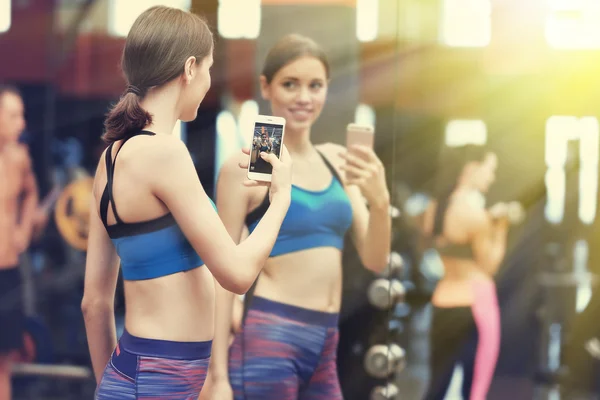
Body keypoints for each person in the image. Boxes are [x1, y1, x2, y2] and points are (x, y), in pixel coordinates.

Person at [81, 6, 292, 399]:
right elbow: (237, 274)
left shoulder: (108, 161)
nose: (210, 82)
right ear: (190, 68)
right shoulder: (166, 154)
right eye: (210, 68)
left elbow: (94, 304)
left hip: (136, 376)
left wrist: (112, 386)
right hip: (159, 382)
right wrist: (281, 197)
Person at [201, 34, 391, 400]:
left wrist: (380, 203)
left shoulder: (337, 160)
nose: (304, 97)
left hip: (326, 341)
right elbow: (221, 276)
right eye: (290, 84)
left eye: (315, 85)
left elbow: (375, 259)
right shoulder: (248, 167)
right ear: (266, 87)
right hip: (270, 338)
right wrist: (217, 375)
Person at [421, 145, 508, 400]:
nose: (491, 177)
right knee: (476, 387)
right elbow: (489, 265)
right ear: (471, 168)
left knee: (437, 383)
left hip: (442, 301)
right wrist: (500, 229)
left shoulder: (433, 211)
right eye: (489, 170)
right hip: (474, 301)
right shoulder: (475, 214)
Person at [0, 84, 38, 400]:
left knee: (3, 364)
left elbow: (32, 193)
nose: (21, 122)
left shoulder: (19, 158)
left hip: (8, 273)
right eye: (13, 115)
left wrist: (24, 228)